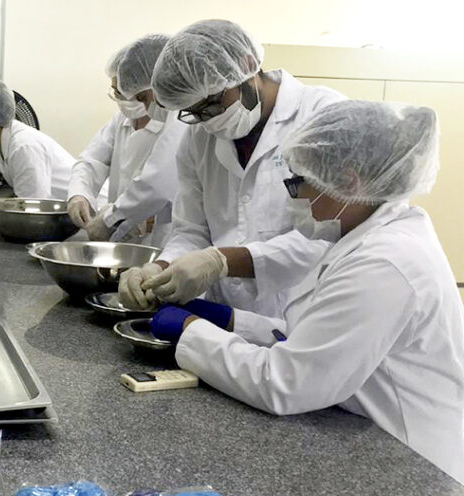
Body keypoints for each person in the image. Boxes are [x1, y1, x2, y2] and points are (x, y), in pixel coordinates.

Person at [149, 100, 464, 496]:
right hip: (367, 446)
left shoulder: (385, 263)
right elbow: (315, 338)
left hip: (409, 472)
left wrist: (192, 331)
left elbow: (286, 383)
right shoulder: (364, 236)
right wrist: (231, 320)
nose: (295, 196)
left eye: (299, 182)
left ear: (349, 181)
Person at [118, 20, 345, 315]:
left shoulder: (323, 116)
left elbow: (329, 233)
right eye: (193, 112)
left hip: (302, 313)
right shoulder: (198, 136)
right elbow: (192, 229)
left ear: (247, 65)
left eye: (212, 103)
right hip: (224, 317)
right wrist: (161, 267)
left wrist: (223, 261)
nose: (207, 119)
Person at [66, 34, 185, 246]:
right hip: (120, 240)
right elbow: (93, 160)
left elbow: (157, 186)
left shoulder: (178, 123)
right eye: (117, 92)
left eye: (128, 93)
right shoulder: (122, 118)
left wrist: (113, 219)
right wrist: (79, 194)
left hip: (162, 242)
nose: (122, 99)